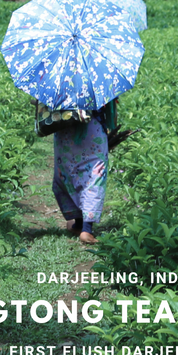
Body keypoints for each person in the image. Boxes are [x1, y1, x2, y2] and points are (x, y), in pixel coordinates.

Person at [36, 98, 118, 245]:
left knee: (69, 172)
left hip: (64, 129)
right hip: (92, 130)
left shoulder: (59, 77)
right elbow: (109, 110)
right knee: (93, 177)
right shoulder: (97, 77)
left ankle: (78, 224)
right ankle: (86, 230)